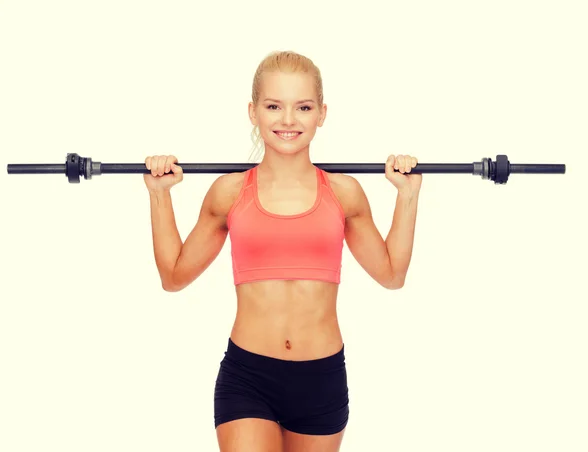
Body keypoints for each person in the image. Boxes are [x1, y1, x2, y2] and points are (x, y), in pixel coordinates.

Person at [143, 50, 422, 452]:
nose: (288, 120)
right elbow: (173, 277)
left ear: (322, 113)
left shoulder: (345, 194)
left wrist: (407, 197)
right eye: (274, 106)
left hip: (321, 380)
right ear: (253, 111)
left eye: (303, 107)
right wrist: (160, 196)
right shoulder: (230, 192)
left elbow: (392, 276)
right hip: (248, 378)